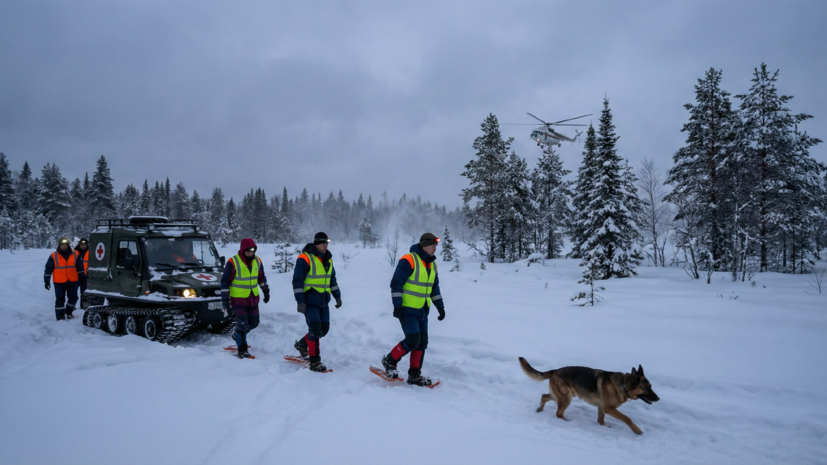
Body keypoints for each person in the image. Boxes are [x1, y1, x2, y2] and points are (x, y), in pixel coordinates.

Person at [381, 233, 446, 386]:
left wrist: (440, 307)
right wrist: (397, 306)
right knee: (412, 340)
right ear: (424, 245)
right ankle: (389, 361)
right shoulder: (408, 260)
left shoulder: (432, 264)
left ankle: (414, 375)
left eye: (436, 246)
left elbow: (434, 288)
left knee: (422, 342)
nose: (435, 249)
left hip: (423, 310)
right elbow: (396, 284)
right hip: (407, 309)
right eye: (432, 245)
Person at [292, 232, 342, 372]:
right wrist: (300, 301)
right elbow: (297, 281)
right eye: (322, 243)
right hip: (309, 301)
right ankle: (315, 362)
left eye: (326, 243)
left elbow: (332, 279)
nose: (325, 246)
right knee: (315, 330)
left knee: (323, 330)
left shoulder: (328, 259)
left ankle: (302, 344)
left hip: (324, 301)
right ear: (316, 244)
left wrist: (337, 295)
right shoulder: (305, 258)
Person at [220, 238, 270, 359]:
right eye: (248, 251)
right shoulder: (233, 262)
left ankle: (237, 335)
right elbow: (225, 282)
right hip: (239, 299)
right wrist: (225, 299)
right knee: (242, 325)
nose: (250, 253)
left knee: (254, 322)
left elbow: (261, 278)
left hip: (253, 298)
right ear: (242, 250)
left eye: (252, 251)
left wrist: (266, 291)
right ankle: (242, 351)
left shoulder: (257, 260)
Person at [44, 237, 86, 321]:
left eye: (66, 245)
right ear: (59, 245)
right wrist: (46, 280)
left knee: (73, 297)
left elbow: (80, 267)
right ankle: (60, 317)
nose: (64, 246)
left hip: (73, 281)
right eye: (62, 245)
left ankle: (69, 312)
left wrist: (82, 277)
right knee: (60, 299)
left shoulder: (75, 254)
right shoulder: (53, 255)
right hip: (59, 282)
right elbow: (48, 268)